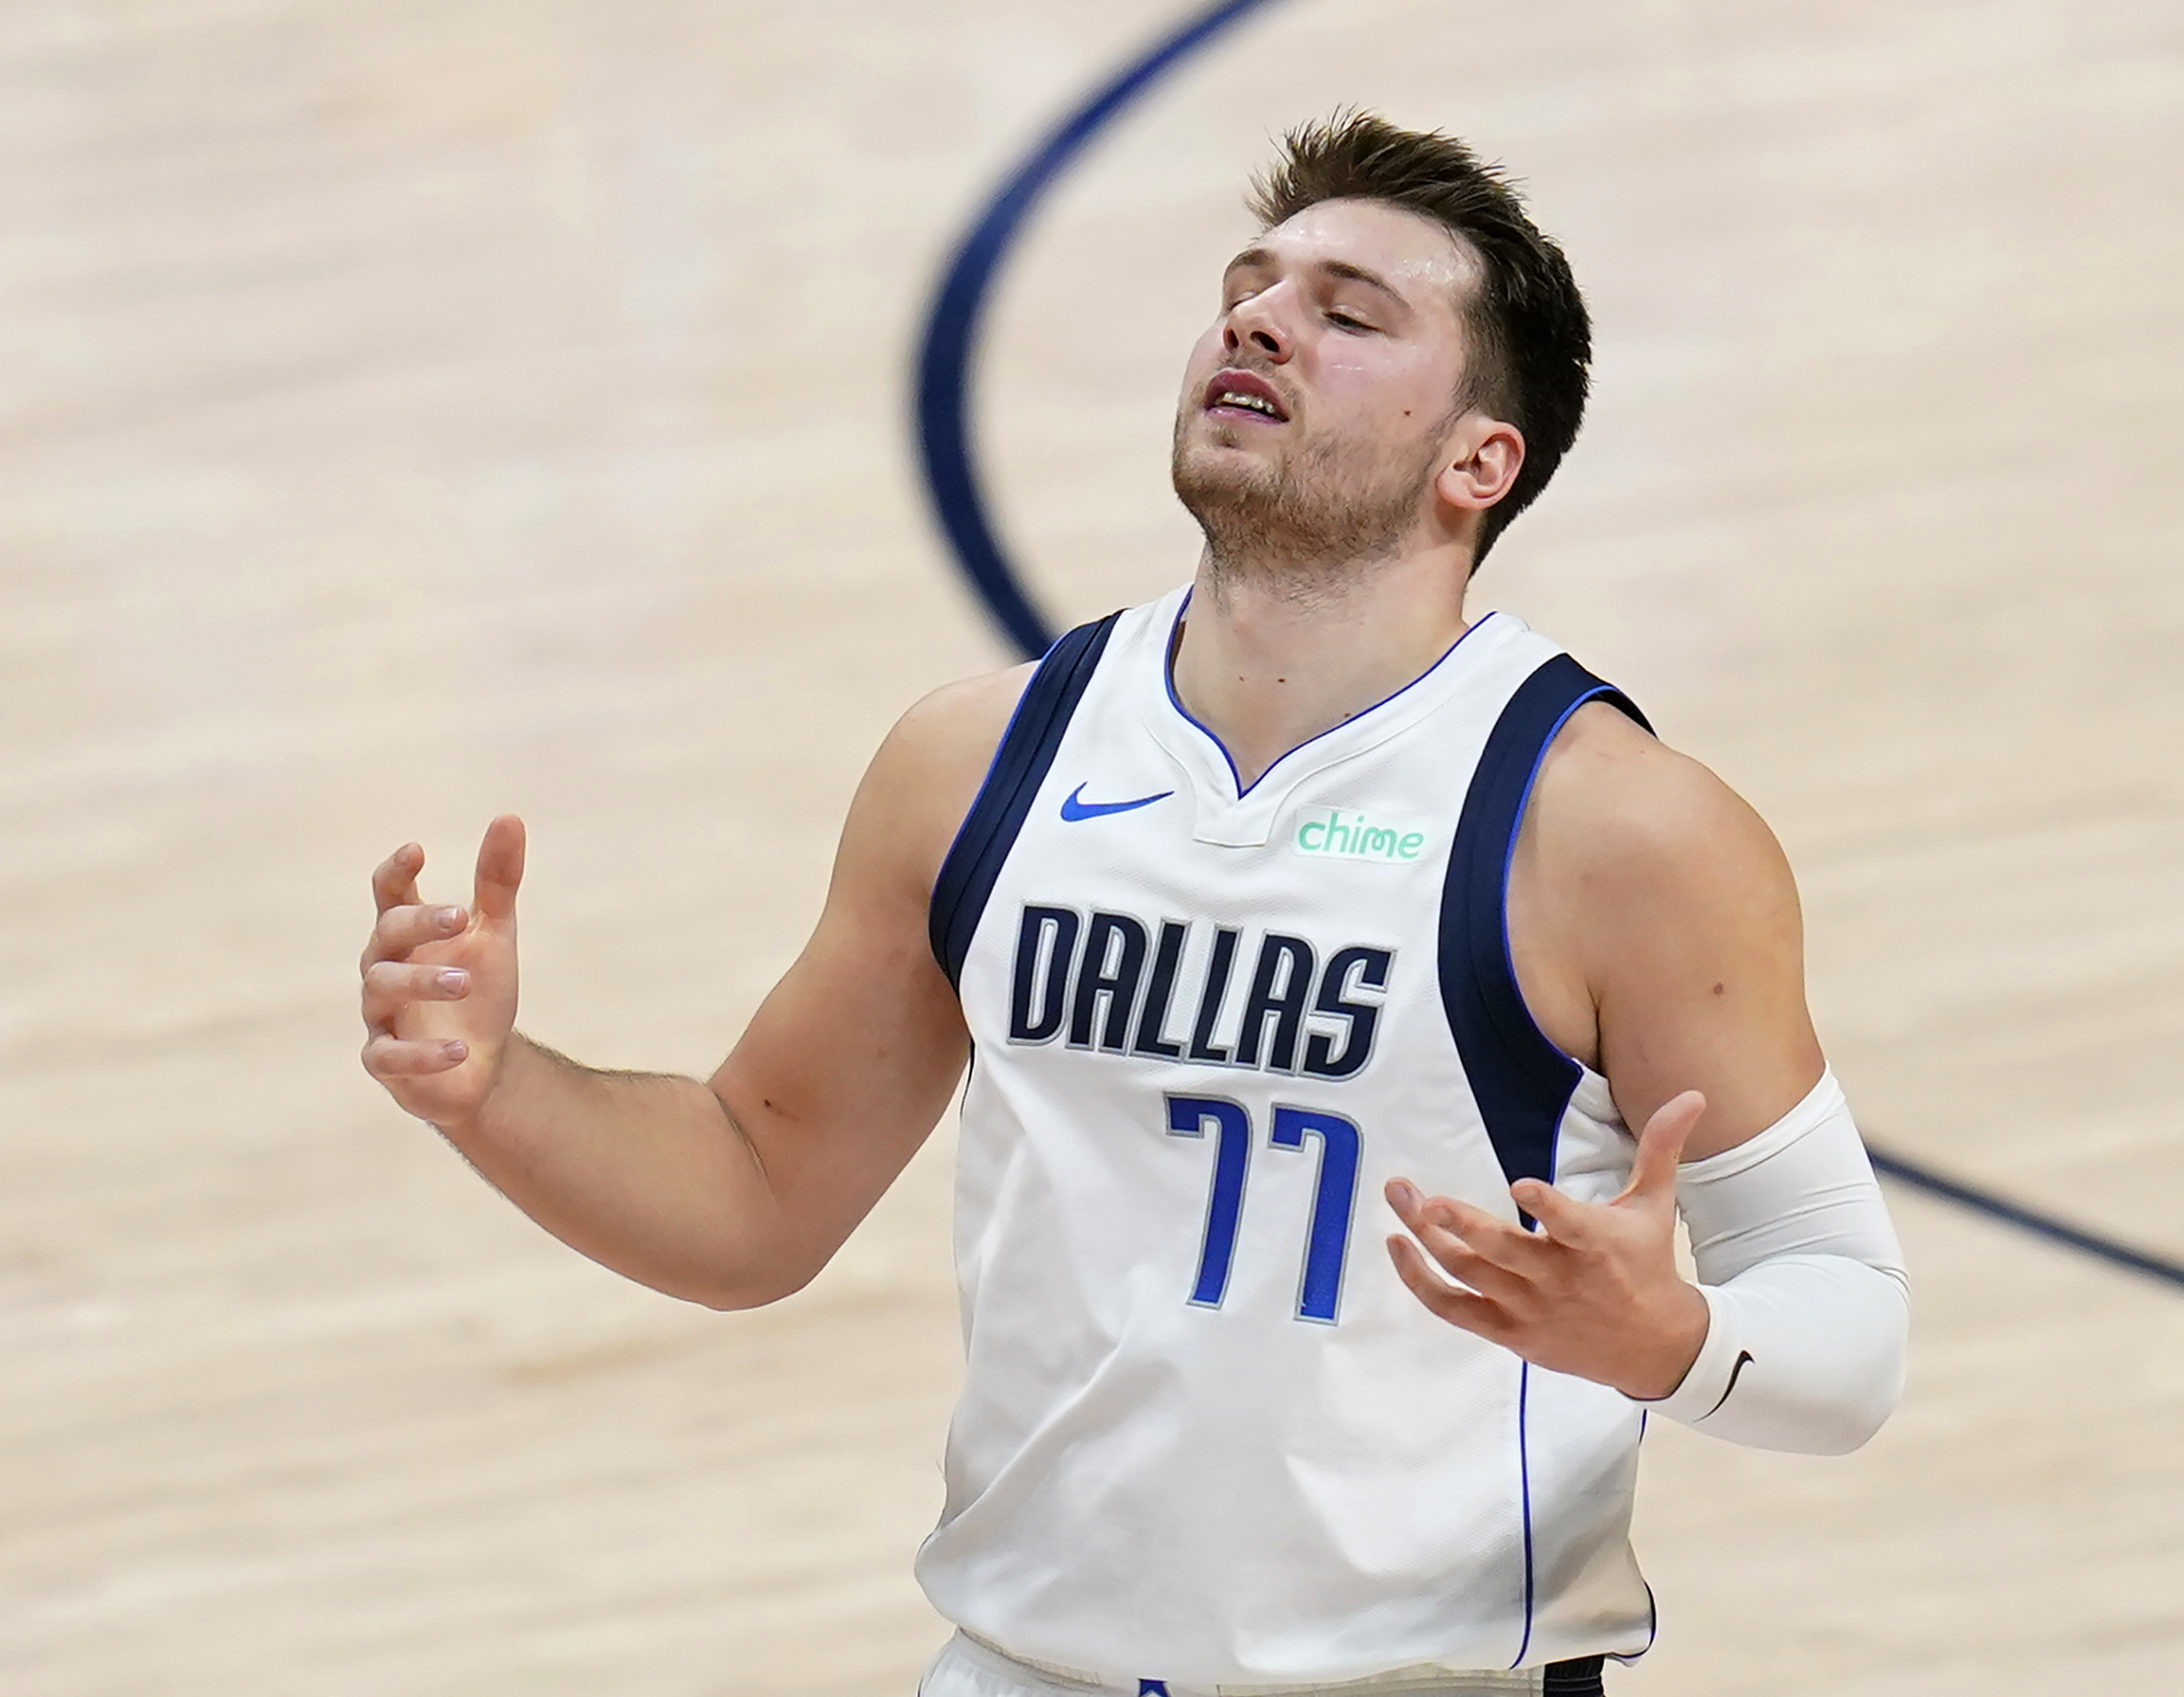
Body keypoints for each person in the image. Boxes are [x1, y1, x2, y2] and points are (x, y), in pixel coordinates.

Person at [358, 113, 1908, 1697]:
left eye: (1347, 311)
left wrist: (1669, 1342)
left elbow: (1848, 1327)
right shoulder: (978, 761)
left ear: (1476, 461)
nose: (1258, 318)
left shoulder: (1617, 833)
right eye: (1251, 283)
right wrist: (494, 1090)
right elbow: (754, 1193)